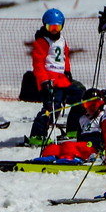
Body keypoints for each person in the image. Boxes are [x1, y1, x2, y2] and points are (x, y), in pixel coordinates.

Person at [22, 8, 84, 138]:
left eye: (57, 27)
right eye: (51, 27)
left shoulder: (61, 39)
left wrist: (67, 71)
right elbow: (38, 63)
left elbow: (65, 56)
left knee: (80, 94)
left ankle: (73, 128)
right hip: (49, 80)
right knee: (52, 106)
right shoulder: (42, 41)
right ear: (45, 26)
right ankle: (37, 135)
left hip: (62, 79)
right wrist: (44, 81)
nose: (54, 30)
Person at [31, 88, 106, 164]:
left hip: (93, 147)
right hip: (82, 145)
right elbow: (79, 137)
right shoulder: (82, 119)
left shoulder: (103, 117)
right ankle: (50, 156)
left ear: (100, 104)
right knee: (56, 146)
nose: (91, 108)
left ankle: (70, 158)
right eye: (88, 105)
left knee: (69, 145)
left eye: (94, 105)